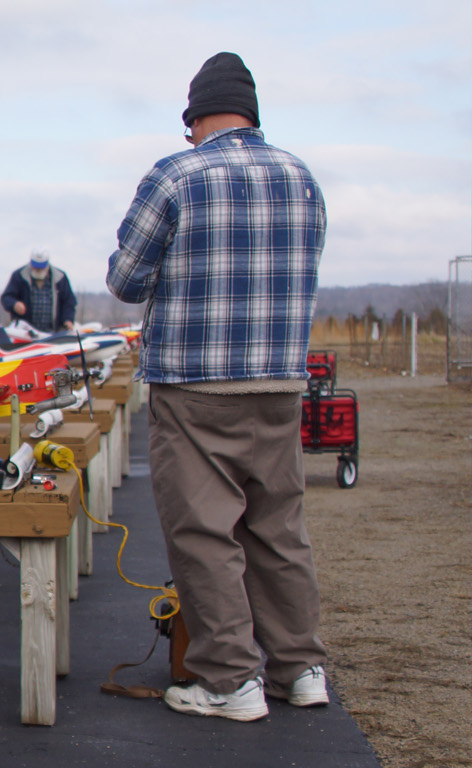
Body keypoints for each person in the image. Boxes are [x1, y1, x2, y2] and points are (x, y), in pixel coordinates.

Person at [107, 52, 328, 722]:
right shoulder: (302, 177)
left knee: (205, 531)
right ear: (251, 115)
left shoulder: (177, 175)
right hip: (280, 381)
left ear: (196, 118)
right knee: (278, 529)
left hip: (195, 383)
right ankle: (300, 669)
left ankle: (231, 680)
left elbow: (126, 280)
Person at [0, 249, 77, 332]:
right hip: (24, 332)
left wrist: (68, 319)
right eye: (35, 266)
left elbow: (69, 301)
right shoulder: (19, 276)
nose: (38, 269)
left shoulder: (60, 278)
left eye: (41, 267)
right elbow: (6, 297)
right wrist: (14, 304)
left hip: (53, 332)